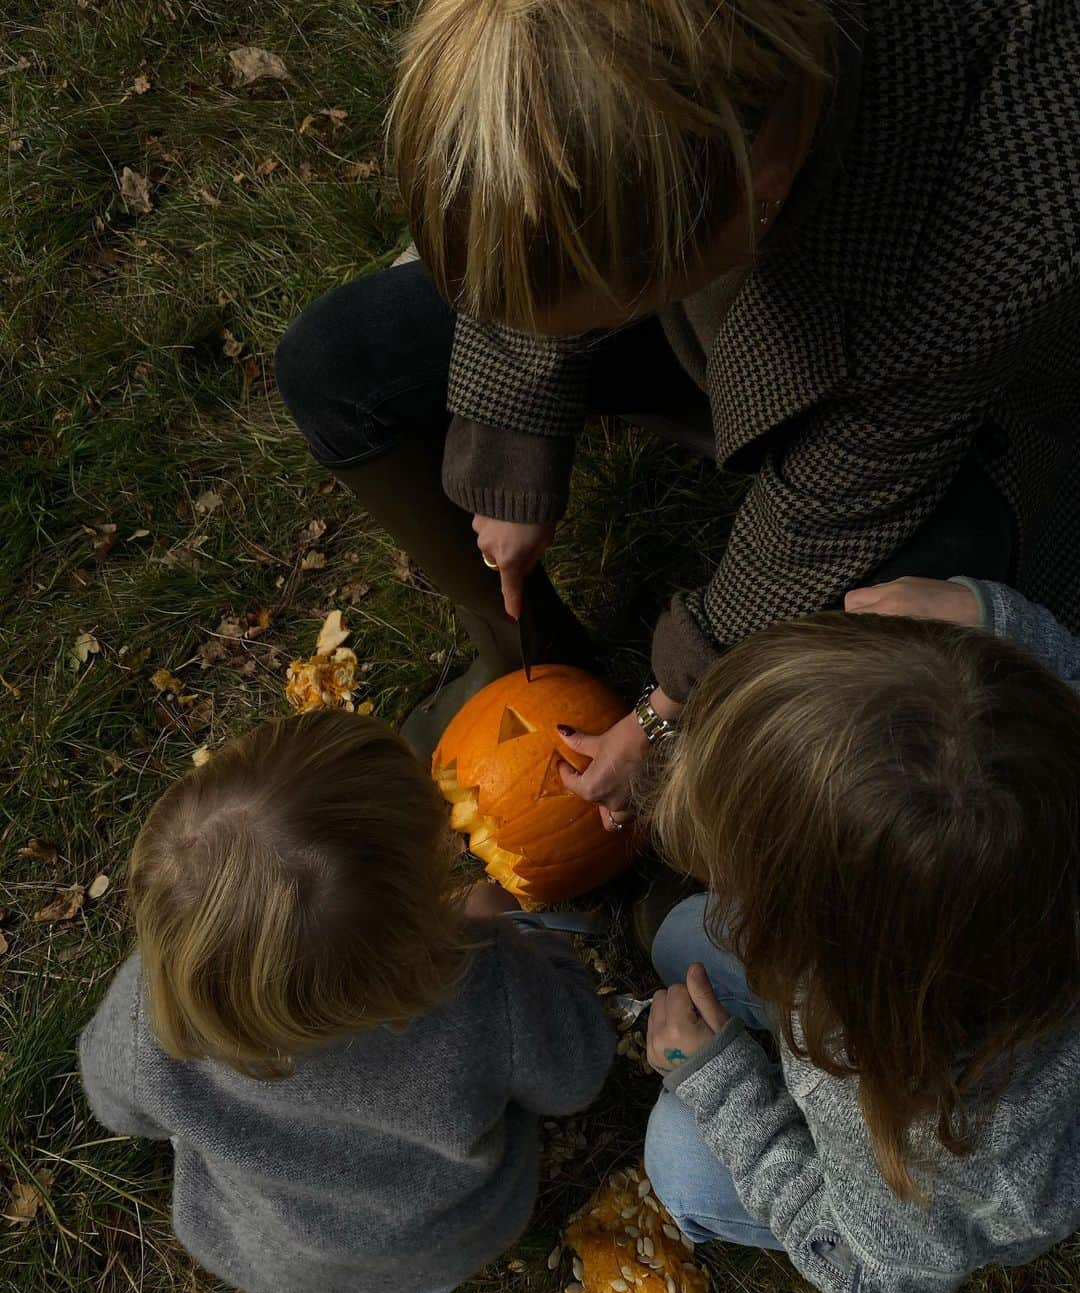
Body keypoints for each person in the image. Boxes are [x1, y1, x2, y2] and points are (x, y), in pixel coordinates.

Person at [274, 0, 1080, 853]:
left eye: (600, 303)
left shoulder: (1011, 211)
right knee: (334, 362)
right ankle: (524, 658)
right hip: (723, 292)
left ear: (756, 194)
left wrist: (667, 712)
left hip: (967, 420)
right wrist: (507, 434)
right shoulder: (614, 56)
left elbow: (822, 519)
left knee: (876, 647)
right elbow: (542, 189)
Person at [640, 576, 1080, 1293]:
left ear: (840, 960)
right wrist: (996, 621)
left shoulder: (934, 1149)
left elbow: (876, 1292)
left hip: (903, 1173)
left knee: (679, 1158)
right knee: (686, 935)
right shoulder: (1051, 805)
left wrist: (726, 1093)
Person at [78, 712, 614, 1293]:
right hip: (449, 1245)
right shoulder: (484, 982)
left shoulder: (153, 1010)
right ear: (413, 925)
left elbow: (112, 1100)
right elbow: (578, 1074)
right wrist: (527, 937)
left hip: (268, 1258)